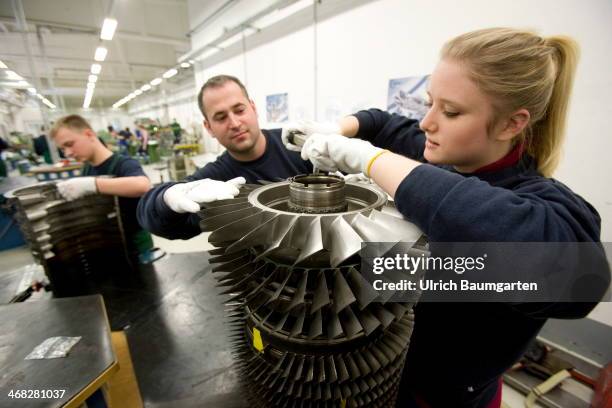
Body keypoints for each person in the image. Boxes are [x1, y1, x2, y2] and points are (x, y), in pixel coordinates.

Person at [284, 28, 609, 407]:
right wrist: (337, 130)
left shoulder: (547, 207)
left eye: (451, 111)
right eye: (429, 103)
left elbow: (580, 282)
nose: (427, 123)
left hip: (449, 397)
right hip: (388, 373)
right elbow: (380, 122)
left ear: (511, 124)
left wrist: (370, 160)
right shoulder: (444, 148)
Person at [137, 74, 313, 240]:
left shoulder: (298, 146)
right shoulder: (215, 179)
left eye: (239, 110)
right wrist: (165, 199)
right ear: (208, 127)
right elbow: (155, 220)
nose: (235, 124)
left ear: (253, 108)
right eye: (221, 117)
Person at [51, 115, 154, 263]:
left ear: (89, 134)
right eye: (63, 148)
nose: (68, 153)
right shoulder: (87, 169)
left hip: (136, 249)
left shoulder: (123, 164)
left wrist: (93, 185)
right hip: (108, 246)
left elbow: (142, 185)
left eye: (70, 144)